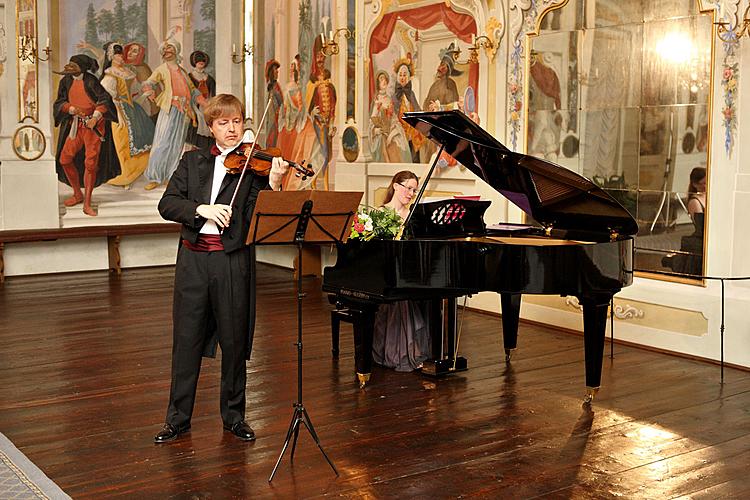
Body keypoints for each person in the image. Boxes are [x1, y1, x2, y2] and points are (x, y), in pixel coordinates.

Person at [153, 94, 290, 443]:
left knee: (234, 340)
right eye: (224, 122)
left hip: (232, 261)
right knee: (186, 341)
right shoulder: (192, 161)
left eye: (237, 121)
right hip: (193, 260)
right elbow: (168, 204)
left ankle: (234, 417)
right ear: (211, 126)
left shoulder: (254, 166)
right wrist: (202, 209)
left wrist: (273, 184)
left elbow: (264, 214)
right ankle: (177, 420)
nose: (232, 128)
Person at [372, 171, 431, 372]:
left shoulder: (413, 216)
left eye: (414, 190)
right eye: (408, 188)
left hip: (408, 270)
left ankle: (409, 351)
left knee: (409, 292)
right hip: (386, 271)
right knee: (400, 296)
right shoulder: (380, 213)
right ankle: (401, 352)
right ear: (396, 186)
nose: (411, 193)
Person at [53, 54, 120, 216]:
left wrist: (95, 117)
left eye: (73, 66)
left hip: (93, 128)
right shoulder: (66, 81)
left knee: (90, 164)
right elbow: (59, 102)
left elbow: (105, 101)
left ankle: (88, 203)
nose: (69, 69)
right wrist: (69, 108)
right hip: (75, 125)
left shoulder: (91, 81)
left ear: (82, 68)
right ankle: (77, 194)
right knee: (65, 159)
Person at [142, 38, 205, 190]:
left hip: (184, 111)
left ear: (176, 51)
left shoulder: (182, 71)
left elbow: (192, 89)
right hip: (170, 108)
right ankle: (155, 176)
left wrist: (204, 102)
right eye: (164, 49)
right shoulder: (161, 69)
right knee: (162, 143)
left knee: (177, 144)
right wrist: (149, 91)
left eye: (170, 48)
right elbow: (148, 83)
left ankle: (170, 176)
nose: (166, 51)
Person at [100, 42, 154, 189]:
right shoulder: (110, 74)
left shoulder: (128, 71)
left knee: (146, 135)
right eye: (117, 54)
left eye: (120, 53)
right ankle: (124, 175)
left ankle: (138, 171)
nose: (120, 56)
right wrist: (118, 112)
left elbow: (134, 92)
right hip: (117, 109)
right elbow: (108, 97)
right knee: (122, 139)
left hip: (132, 108)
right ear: (111, 56)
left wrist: (144, 95)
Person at [369, 70, 410, 163]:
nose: (384, 81)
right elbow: (372, 121)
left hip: (390, 131)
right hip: (380, 134)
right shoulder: (376, 100)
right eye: (381, 79)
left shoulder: (389, 99)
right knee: (383, 141)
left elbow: (394, 119)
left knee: (397, 140)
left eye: (385, 79)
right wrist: (376, 130)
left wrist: (393, 133)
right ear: (377, 83)